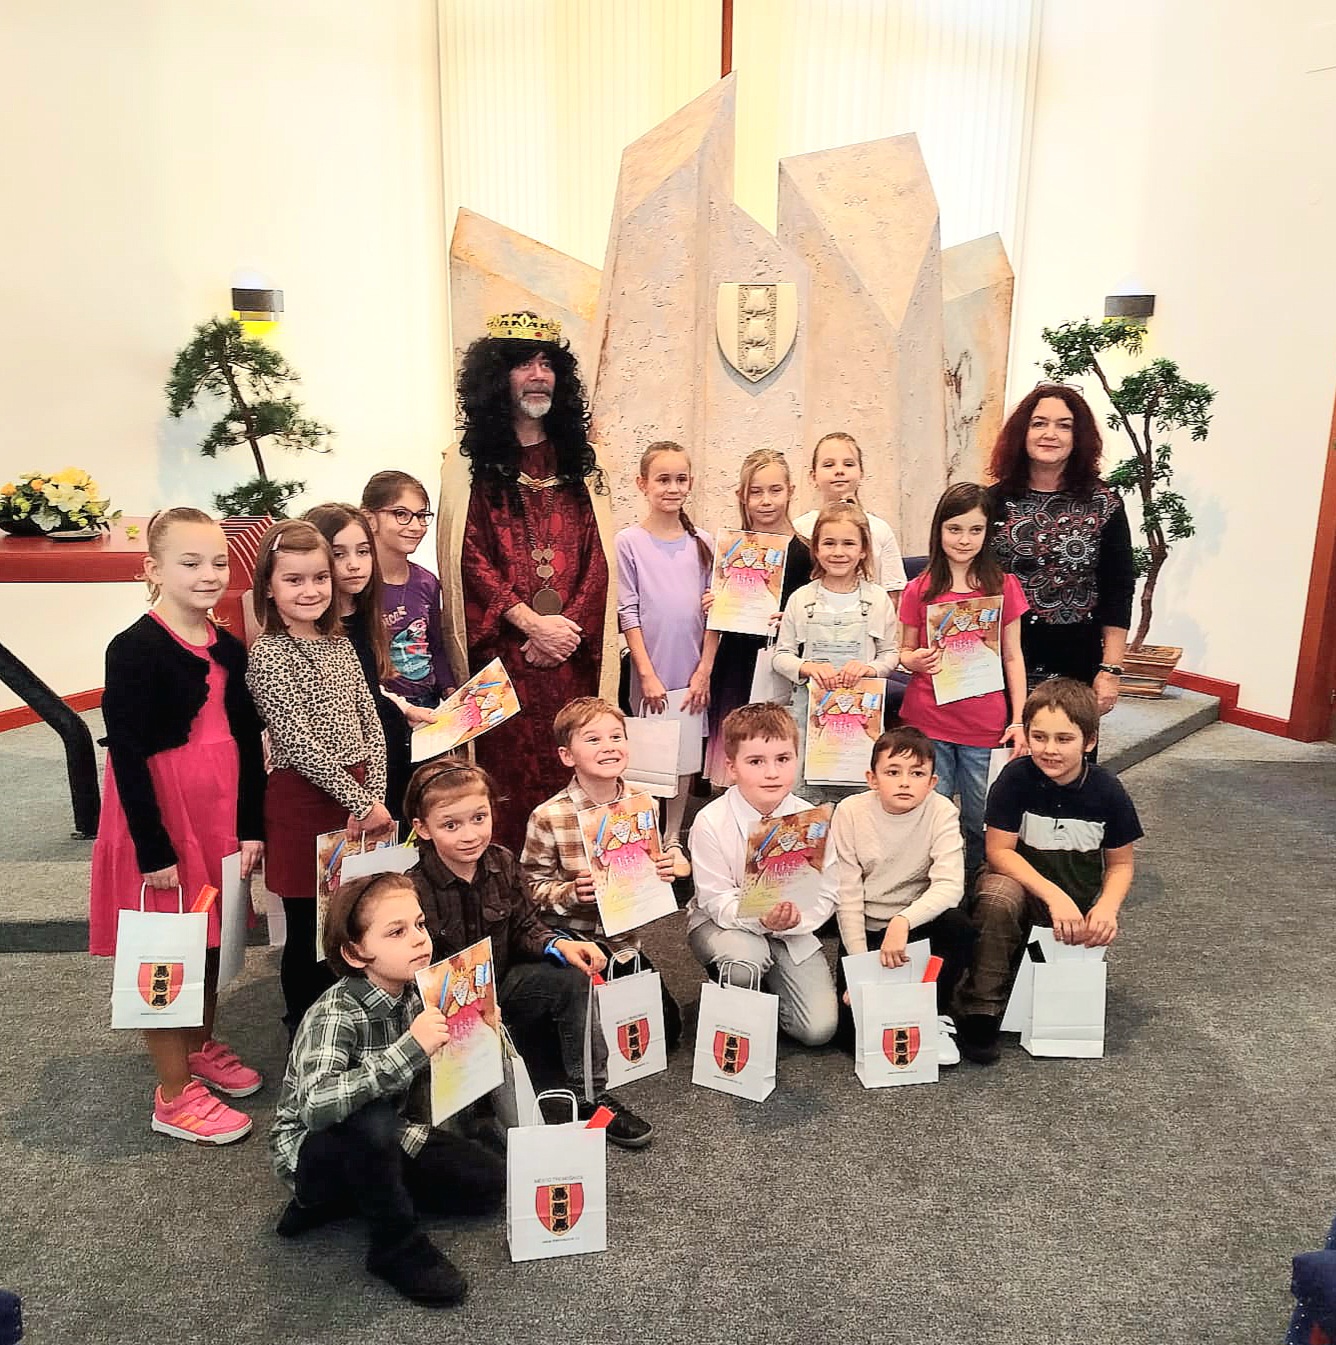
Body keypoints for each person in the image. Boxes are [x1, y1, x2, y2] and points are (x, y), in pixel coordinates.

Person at [89, 507, 266, 1143]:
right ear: (153, 569)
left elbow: (248, 744)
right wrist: (153, 849)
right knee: (164, 949)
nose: (208, 574)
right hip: (163, 824)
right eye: (190, 562)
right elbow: (127, 755)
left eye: (218, 562)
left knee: (211, 938)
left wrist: (251, 827)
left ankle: (197, 1045)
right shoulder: (133, 649)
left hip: (218, 820)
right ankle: (172, 1094)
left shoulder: (229, 648)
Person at [270, 871, 504, 1308]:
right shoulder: (336, 1012)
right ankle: (396, 1246)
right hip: (312, 1148)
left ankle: (358, 1195)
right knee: (369, 1119)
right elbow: (316, 1106)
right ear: (355, 952)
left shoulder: (416, 994)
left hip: (387, 1134)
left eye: (420, 924)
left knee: (487, 1183)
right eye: (396, 932)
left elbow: (429, 1086)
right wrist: (410, 1049)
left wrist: (474, 1030)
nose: (419, 939)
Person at [438, 311, 618, 851]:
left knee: (577, 763)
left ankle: (581, 886)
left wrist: (564, 630)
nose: (538, 376)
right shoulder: (466, 465)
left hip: (570, 657)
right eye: (524, 365)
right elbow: (468, 556)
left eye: (547, 365)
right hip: (505, 658)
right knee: (505, 781)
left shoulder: (584, 463)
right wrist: (530, 624)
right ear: (497, 377)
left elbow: (599, 557)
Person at [406, 759, 654, 1148]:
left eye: (479, 818)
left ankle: (587, 1096)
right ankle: (479, 1111)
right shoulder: (412, 889)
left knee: (573, 978)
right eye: (450, 825)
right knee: (463, 1141)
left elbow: (524, 925)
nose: (470, 835)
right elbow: (412, 971)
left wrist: (561, 944)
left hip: (505, 984)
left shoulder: (503, 862)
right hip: (449, 1014)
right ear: (423, 828)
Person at [246, 520, 393, 1035]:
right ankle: (305, 1033)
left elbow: (370, 722)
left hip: (358, 799)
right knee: (310, 929)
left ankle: (353, 1025)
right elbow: (300, 744)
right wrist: (361, 801)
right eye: (294, 580)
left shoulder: (340, 643)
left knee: (352, 917)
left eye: (319, 578)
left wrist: (373, 796)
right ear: (269, 587)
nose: (310, 591)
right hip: (303, 802)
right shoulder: (268, 654)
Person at [953, 678, 1143, 1065]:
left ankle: (1026, 979)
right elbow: (998, 851)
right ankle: (981, 1008)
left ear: (1089, 741)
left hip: (1072, 906)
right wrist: (1053, 896)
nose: (1049, 749)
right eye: (1038, 737)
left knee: (1063, 962)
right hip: (1023, 893)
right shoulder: (1015, 778)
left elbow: (1121, 864)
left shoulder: (1108, 791)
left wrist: (1106, 908)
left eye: (1063, 739)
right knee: (997, 896)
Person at [520, 695, 683, 1047]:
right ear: (567, 756)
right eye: (593, 739)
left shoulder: (644, 804)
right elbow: (528, 889)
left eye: (616, 736)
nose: (608, 746)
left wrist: (663, 870)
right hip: (572, 939)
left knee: (665, 1033)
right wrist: (569, 892)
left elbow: (647, 871)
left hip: (622, 941)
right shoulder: (548, 816)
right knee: (586, 1039)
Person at [686, 703, 839, 1048]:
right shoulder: (711, 821)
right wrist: (761, 919)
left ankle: (769, 987)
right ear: (732, 767)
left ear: (797, 759)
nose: (772, 773)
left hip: (791, 929)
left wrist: (795, 920)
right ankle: (734, 983)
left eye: (783, 759)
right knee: (746, 960)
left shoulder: (811, 820)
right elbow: (715, 899)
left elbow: (829, 891)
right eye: (756, 762)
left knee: (818, 1030)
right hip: (723, 925)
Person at [897, 482, 1030, 875]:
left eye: (975, 530)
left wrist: (1018, 719)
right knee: (930, 819)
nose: (964, 539)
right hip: (929, 720)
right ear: (939, 529)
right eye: (954, 529)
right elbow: (904, 652)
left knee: (980, 819)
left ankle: (975, 889)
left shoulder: (1003, 587)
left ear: (988, 533)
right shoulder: (918, 589)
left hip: (984, 725)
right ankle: (935, 890)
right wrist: (914, 661)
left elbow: (1013, 656)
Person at [987, 384, 1136, 715]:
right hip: (1001, 655)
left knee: (1066, 743)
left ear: (1078, 437)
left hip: (1076, 655)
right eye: (1039, 423)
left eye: (1064, 425)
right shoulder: (992, 502)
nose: (1049, 434)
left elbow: (1119, 591)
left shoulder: (1104, 504)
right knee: (1002, 744)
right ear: (1022, 433)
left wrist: (1111, 670)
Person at [831, 726, 975, 1065]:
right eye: (893, 772)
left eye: (917, 773)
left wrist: (903, 921)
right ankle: (888, 997)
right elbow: (847, 895)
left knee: (959, 925)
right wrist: (861, 970)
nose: (905, 782)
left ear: (933, 781)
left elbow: (950, 886)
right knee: (852, 1038)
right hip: (867, 930)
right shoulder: (850, 812)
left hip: (918, 926)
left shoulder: (941, 811)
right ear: (872, 778)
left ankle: (935, 1012)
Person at [615, 442, 717, 870]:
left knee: (684, 754)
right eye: (663, 479)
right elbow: (628, 611)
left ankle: (674, 835)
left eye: (680, 479)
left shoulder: (704, 542)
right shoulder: (629, 542)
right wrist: (646, 673)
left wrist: (704, 671)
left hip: (692, 668)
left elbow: (717, 615)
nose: (672, 488)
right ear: (643, 484)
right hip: (652, 666)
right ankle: (646, 835)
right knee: (649, 753)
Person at [304, 502, 435, 822]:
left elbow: (366, 686)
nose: (354, 565)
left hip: (389, 749)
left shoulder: (366, 613)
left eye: (363, 552)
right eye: (339, 554)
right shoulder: (309, 628)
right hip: (347, 768)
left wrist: (404, 708)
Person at [772, 502, 899, 804]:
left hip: (860, 721)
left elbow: (890, 653)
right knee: (805, 804)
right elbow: (781, 655)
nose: (838, 552)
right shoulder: (801, 599)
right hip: (809, 720)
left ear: (864, 550)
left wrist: (870, 669)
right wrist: (807, 668)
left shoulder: (878, 599)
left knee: (858, 804)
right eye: (829, 543)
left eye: (848, 544)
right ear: (816, 549)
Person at [705, 448, 813, 786]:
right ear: (742, 495)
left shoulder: (807, 553)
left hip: (780, 666)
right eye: (756, 492)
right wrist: (714, 604)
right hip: (734, 662)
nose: (766, 501)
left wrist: (793, 620)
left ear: (790, 491)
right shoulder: (729, 549)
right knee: (735, 754)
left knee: (773, 752)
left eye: (775, 490)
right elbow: (715, 623)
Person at [362, 471, 452, 711]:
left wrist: (450, 690)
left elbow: (435, 645)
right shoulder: (358, 585)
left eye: (421, 516)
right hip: (384, 708)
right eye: (401, 514)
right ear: (370, 519)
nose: (416, 526)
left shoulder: (427, 582)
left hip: (429, 702)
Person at [793, 432, 907, 601]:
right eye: (828, 465)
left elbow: (893, 592)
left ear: (861, 473)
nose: (839, 471)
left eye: (848, 464)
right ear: (813, 476)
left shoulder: (879, 529)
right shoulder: (799, 529)